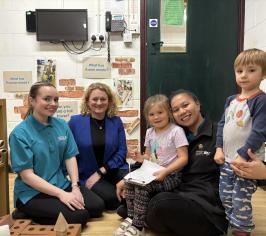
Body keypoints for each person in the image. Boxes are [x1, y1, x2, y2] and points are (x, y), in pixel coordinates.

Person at [117, 89, 228, 236]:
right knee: (127, 204)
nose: (182, 111)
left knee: (159, 203)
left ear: (198, 104)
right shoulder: (173, 132)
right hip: (174, 191)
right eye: (176, 109)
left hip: (202, 202)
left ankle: (145, 221)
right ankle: (146, 219)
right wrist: (129, 179)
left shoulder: (219, 134)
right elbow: (151, 159)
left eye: (185, 105)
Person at [9, 81, 104, 226]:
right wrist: (62, 195)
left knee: (97, 207)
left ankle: (47, 209)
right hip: (32, 192)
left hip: (60, 183)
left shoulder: (62, 125)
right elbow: (27, 176)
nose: (53, 103)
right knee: (80, 216)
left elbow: (70, 157)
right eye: (47, 99)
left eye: (56, 99)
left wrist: (75, 187)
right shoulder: (19, 134)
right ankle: (26, 211)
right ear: (32, 100)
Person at [114, 94, 188, 236]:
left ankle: (138, 225)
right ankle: (131, 218)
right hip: (151, 173)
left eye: (160, 112)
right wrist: (140, 157)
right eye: (151, 114)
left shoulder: (176, 131)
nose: (156, 117)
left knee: (143, 187)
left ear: (169, 113)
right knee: (129, 183)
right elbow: (148, 157)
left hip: (171, 176)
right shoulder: (150, 132)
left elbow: (183, 158)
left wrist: (165, 172)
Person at [214, 48, 266, 235]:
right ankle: (232, 224)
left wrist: (243, 155)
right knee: (225, 196)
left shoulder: (261, 101)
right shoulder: (231, 100)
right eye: (240, 71)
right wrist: (219, 148)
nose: (244, 75)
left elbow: (260, 132)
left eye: (251, 70)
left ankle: (242, 230)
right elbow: (222, 125)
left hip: (247, 163)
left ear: (263, 74)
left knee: (240, 198)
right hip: (227, 160)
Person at [68, 82, 128, 211]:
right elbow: (69, 153)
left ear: (109, 101)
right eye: (95, 99)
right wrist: (75, 183)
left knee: (133, 190)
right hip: (88, 174)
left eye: (103, 99)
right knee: (113, 200)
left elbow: (122, 151)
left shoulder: (116, 121)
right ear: (87, 101)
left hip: (114, 169)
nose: (99, 103)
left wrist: (101, 171)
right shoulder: (75, 122)